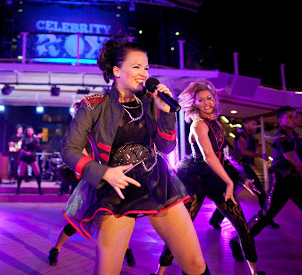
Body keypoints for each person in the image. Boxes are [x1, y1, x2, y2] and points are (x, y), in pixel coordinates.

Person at [61, 38, 208, 275]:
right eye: (137, 67)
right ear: (117, 71)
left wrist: (166, 113)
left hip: (158, 184)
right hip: (117, 190)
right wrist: (104, 172)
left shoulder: (151, 102)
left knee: (195, 264)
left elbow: (167, 147)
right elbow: (68, 149)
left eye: (147, 68)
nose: (144, 73)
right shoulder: (93, 106)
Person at [153, 79, 265, 275]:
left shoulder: (216, 122)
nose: (206, 103)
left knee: (243, 227)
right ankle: (160, 271)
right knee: (182, 229)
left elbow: (222, 156)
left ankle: (255, 272)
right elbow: (209, 156)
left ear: (215, 99)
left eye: (209, 98)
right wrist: (229, 182)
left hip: (217, 175)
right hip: (198, 178)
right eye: (200, 100)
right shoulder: (198, 124)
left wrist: (241, 179)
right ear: (194, 103)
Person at [230, 106, 302, 266]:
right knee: (266, 216)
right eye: (290, 117)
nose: (294, 119)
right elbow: (298, 166)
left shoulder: (295, 138)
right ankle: (236, 241)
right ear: (280, 120)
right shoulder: (282, 139)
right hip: (282, 182)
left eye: (296, 116)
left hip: (297, 181)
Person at [48, 100, 136, 268]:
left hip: (109, 182)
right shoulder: (76, 135)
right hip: (90, 183)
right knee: (76, 222)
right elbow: (77, 158)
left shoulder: (102, 130)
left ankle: (126, 251)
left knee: (116, 219)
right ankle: (56, 249)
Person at [208, 118, 280, 230]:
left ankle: (267, 218)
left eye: (256, 125)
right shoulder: (242, 136)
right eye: (253, 124)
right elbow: (243, 151)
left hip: (245, 167)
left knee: (260, 193)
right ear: (246, 125)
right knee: (234, 194)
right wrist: (260, 155)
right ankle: (215, 220)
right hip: (239, 167)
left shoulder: (250, 137)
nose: (256, 127)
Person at [15, 126, 43, 195]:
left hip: (31, 157)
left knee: (37, 172)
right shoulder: (23, 139)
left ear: (33, 132)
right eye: (28, 131)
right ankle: (17, 189)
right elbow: (20, 149)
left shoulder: (35, 139)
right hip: (24, 157)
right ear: (26, 132)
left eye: (31, 130)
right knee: (21, 173)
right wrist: (25, 152)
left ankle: (39, 189)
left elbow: (37, 148)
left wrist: (31, 152)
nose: (29, 132)